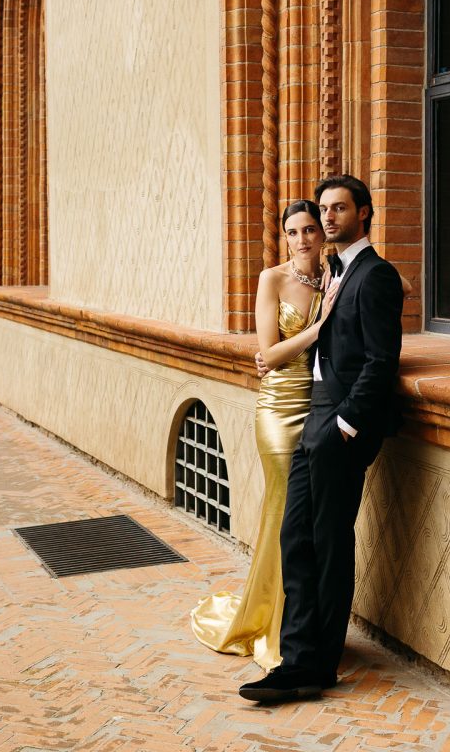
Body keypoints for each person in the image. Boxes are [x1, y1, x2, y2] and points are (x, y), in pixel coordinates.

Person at [239, 174, 404, 703]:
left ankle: (318, 665)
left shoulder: (375, 274)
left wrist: (346, 424)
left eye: (338, 209)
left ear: (364, 213)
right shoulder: (335, 271)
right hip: (311, 418)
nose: (328, 218)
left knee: (330, 545)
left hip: (339, 426)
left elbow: (381, 361)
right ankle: (296, 659)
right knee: (296, 538)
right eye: (324, 209)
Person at [190, 200, 340, 668]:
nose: (302, 240)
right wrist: (319, 328)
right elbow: (268, 355)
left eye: (310, 230)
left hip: (316, 407)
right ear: (284, 238)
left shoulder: (335, 276)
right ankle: (273, 625)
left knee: (307, 518)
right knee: (283, 514)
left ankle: (300, 620)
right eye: (292, 232)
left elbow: (402, 283)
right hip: (277, 413)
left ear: (323, 234)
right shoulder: (271, 280)